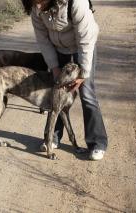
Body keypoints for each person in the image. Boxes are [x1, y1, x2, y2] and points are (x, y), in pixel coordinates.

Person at [21, 0, 108, 160]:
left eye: (40, 1)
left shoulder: (76, 3)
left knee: (87, 94)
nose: (38, 6)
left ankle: (97, 143)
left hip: (82, 48)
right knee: (56, 94)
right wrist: (54, 67)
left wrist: (83, 74)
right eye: (34, 3)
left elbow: (85, 40)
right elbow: (43, 41)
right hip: (59, 50)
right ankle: (53, 138)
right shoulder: (36, 8)